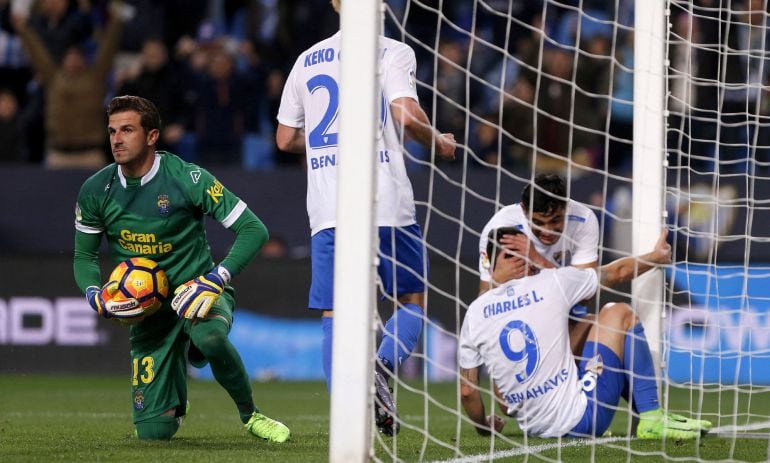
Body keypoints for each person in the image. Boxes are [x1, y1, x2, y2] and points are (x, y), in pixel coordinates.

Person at [275, 0, 456, 436]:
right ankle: (380, 366)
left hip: (328, 208)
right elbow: (407, 116)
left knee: (335, 314)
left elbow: (284, 139)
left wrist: (328, 146)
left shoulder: (306, 60)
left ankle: (347, 413)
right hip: (384, 201)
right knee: (412, 300)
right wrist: (439, 142)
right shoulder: (392, 50)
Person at [73, 95, 290, 442]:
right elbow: (83, 258)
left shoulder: (187, 177)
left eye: (127, 130)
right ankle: (174, 396)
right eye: (112, 130)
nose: (116, 138)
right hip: (146, 309)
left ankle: (251, 415)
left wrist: (217, 278)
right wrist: (94, 294)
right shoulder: (96, 189)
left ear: (152, 136)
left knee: (211, 336)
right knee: (154, 435)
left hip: (197, 291)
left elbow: (254, 229)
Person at [459, 228, 713, 439]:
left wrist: (484, 426)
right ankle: (651, 418)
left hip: (534, 428)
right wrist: (656, 257)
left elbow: (467, 391)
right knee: (617, 313)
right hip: (581, 421)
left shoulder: (475, 312)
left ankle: (651, 413)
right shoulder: (551, 283)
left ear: (489, 263)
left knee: (591, 326)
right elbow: (615, 273)